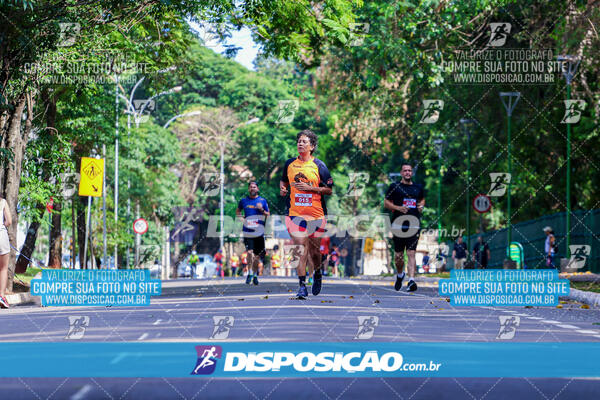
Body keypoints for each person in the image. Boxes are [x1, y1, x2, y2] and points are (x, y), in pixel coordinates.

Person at [280, 129, 333, 299]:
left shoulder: (319, 165)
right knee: (300, 248)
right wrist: (283, 188)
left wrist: (311, 188)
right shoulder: (289, 164)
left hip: (316, 215)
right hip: (295, 214)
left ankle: (317, 272)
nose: (300, 144)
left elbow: (329, 190)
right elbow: (284, 180)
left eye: (304, 141)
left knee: (315, 252)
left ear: (312, 146)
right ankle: (302, 285)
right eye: (299, 141)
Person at [384, 163, 425, 292]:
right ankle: (400, 275)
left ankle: (412, 280)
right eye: (405, 170)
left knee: (411, 253)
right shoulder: (394, 187)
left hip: (414, 224)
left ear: (411, 173)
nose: (407, 172)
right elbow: (386, 203)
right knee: (399, 256)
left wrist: (421, 206)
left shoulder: (418, 188)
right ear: (401, 173)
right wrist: (398, 208)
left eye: (409, 170)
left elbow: (422, 199)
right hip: (398, 225)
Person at [236, 181, 270, 285]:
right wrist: (242, 220)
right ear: (248, 189)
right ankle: (249, 272)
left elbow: (268, 214)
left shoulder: (262, 201)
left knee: (256, 256)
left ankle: (254, 274)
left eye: (254, 187)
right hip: (248, 231)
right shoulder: (243, 201)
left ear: (257, 189)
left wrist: (262, 210)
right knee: (249, 253)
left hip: (259, 232)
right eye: (251, 187)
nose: (252, 189)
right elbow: (238, 211)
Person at [0, 197, 11, 309]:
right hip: (1, 235)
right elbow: (9, 221)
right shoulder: (3, 202)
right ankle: (1, 296)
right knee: (3, 268)